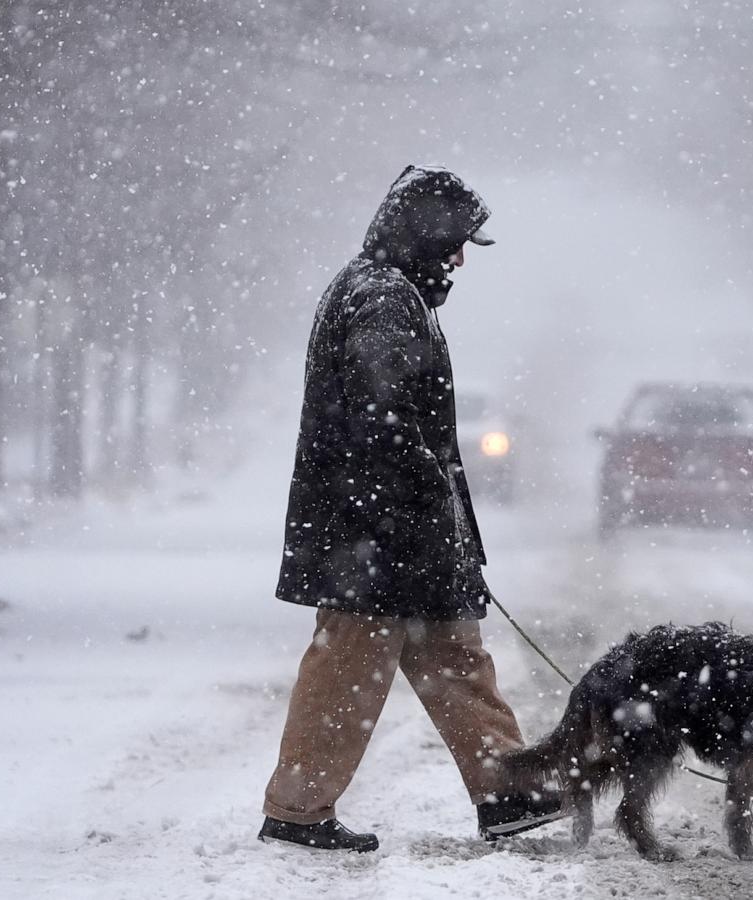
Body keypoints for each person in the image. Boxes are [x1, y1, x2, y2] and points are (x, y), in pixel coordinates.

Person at [259, 165, 563, 852]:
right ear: (422, 235)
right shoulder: (381, 299)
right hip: (373, 533)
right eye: (454, 242)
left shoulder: (391, 293)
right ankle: (298, 812)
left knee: (454, 657)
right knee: (348, 670)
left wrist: (442, 527)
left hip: (397, 530)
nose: (459, 258)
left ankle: (506, 792)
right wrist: (422, 504)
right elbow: (382, 417)